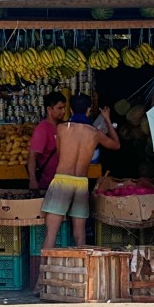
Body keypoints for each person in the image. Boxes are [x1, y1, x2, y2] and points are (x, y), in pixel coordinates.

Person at [41, 94, 120, 250]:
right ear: (89, 110)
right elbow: (116, 145)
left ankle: (42, 274)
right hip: (81, 183)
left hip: (63, 180)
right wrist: (107, 119)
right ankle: (82, 273)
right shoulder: (95, 133)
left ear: (70, 110)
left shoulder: (62, 129)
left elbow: (59, 154)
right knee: (80, 235)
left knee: (51, 233)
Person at [27, 91, 67, 192]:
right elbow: (32, 155)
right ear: (49, 109)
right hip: (48, 186)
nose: (63, 111)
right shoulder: (42, 129)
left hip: (65, 185)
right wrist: (32, 179)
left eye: (64, 107)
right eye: (59, 108)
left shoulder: (64, 127)